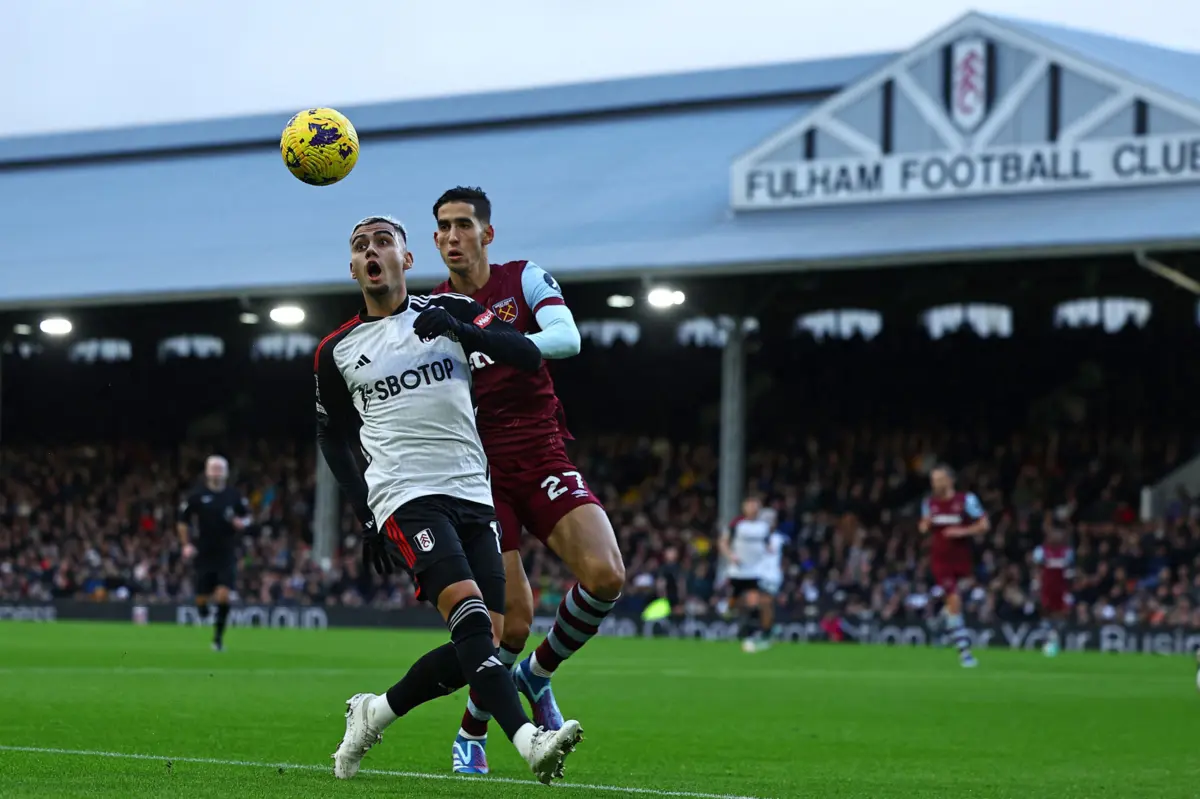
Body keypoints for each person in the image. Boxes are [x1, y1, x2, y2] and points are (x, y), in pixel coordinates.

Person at [316, 215, 583, 784]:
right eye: (361, 245)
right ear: (353, 267)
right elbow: (330, 436)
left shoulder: (448, 314)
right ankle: (529, 740)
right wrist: (366, 512)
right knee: (467, 615)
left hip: (471, 490)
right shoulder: (336, 350)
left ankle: (375, 711)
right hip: (405, 495)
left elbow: (530, 356)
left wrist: (470, 331)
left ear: (406, 260)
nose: (372, 251)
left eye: (384, 242)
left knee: (483, 635)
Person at [429, 187, 625, 775]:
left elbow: (566, 340)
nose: (453, 236)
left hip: (540, 452)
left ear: (487, 234)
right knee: (510, 621)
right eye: (443, 228)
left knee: (607, 576)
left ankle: (536, 675)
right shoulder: (429, 310)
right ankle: (471, 733)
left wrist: (484, 338)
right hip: (478, 468)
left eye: (464, 225)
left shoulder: (524, 278)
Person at [176, 454, 251, 652]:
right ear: (207, 472)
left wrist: (241, 523)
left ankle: (218, 639)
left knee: (224, 595)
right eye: (213, 469)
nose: (217, 473)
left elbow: (247, 518)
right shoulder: (196, 495)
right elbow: (182, 521)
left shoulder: (233, 496)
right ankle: (201, 607)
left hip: (226, 553)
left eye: (220, 469)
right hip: (203, 553)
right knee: (202, 597)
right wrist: (186, 544)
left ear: (225, 473)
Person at [919, 465, 990, 668]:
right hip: (940, 560)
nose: (936, 484)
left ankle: (939, 624)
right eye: (933, 480)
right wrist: (925, 526)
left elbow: (984, 524)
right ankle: (965, 653)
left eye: (940, 479)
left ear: (950, 480)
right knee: (954, 599)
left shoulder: (966, 500)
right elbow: (923, 525)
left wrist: (962, 531)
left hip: (963, 559)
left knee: (956, 602)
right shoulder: (929, 503)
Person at [719, 496, 772, 653]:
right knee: (736, 603)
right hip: (738, 571)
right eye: (750, 505)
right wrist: (730, 556)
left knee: (754, 601)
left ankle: (750, 635)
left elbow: (768, 544)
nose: (753, 509)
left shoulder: (763, 526)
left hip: (755, 571)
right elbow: (723, 542)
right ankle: (730, 609)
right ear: (744, 508)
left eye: (756, 506)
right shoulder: (737, 524)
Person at [1033, 526, 1073, 656]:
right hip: (1047, 587)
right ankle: (1047, 640)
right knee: (1046, 612)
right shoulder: (1041, 551)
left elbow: (1070, 570)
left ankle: (1055, 638)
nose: (1056, 537)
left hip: (1061, 589)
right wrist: (1036, 584)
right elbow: (1036, 568)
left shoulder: (1067, 552)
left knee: (1061, 613)